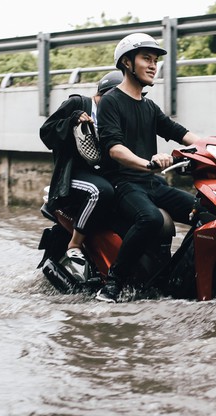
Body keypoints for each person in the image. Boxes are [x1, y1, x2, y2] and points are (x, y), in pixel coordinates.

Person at [94, 33, 203, 303]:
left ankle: (186, 276)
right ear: (127, 63)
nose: (154, 65)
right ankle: (113, 285)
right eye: (147, 59)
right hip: (125, 183)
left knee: (206, 211)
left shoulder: (150, 106)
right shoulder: (111, 101)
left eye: (155, 60)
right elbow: (114, 148)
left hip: (153, 183)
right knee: (151, 219)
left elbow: (180, 132)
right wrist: (148, 163)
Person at [39, 71, 123, 282]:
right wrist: (72, 121)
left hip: (103, 174)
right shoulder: (79, 103)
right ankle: (74, 244)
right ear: (108, 94)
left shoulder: (115, 117)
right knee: (101, 192)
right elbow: (46, 132)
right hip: (72, 175)